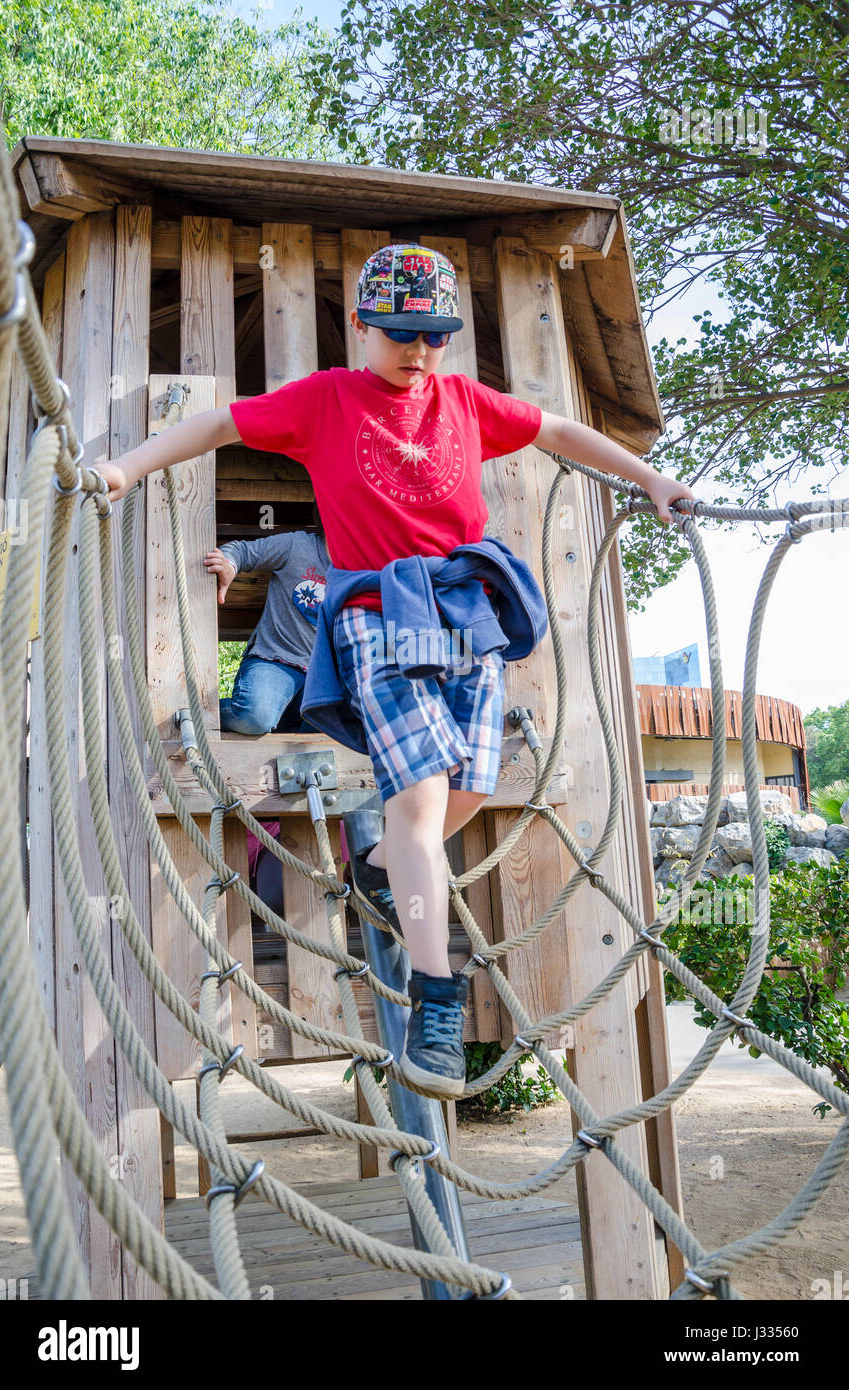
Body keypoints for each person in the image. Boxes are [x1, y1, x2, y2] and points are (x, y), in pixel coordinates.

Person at [92, 242, 696, 1099]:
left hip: (463, 610)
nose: (420, 349)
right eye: (403, 331)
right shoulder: (327, 399)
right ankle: (436, 996)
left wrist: (652, 478)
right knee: (414, 806)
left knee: (471, 786)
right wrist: (125, 468)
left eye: (436, 334)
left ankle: (376, 868)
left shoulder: (461, 401)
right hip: (377, 616)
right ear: (363, 325)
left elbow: (558, 430)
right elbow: (221, 424)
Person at [207, 502, 330, 735]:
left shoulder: (362, 565)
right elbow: (242, 551)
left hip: (323, 675)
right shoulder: (297, 545)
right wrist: (229, 566)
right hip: (277, 659)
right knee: (255, 717)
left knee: (341, 723)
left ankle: (285, 725)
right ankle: (199, 712)